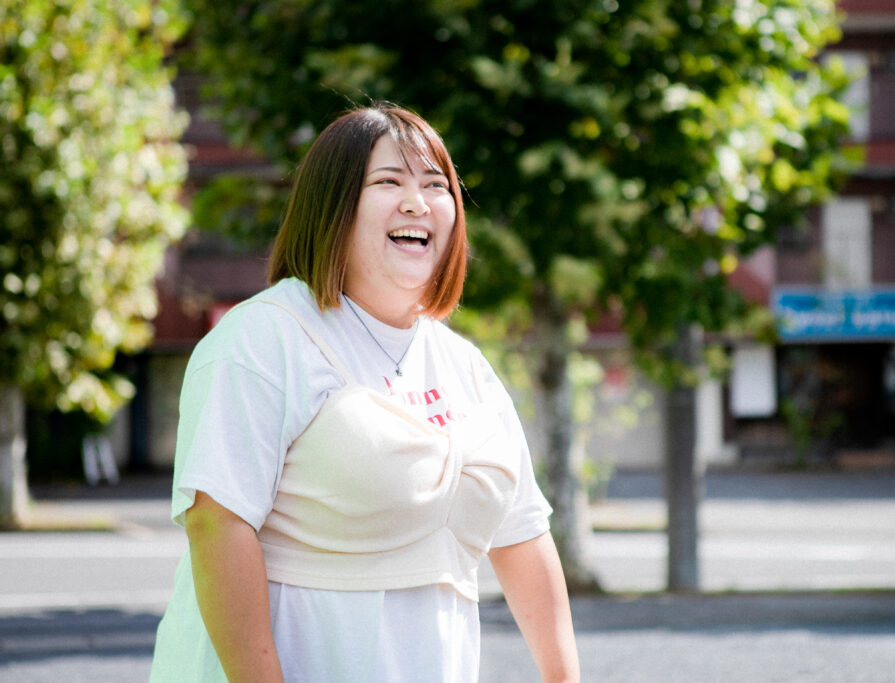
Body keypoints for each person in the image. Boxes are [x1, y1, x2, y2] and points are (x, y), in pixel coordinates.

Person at [149, 103, 579, 682]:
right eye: (389, 182)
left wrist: (564, 677)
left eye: (436, 185)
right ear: (333, 206)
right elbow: (217, 526)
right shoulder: (263, 339)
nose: (417, 202)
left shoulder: (465, 367)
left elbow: (524, 534)